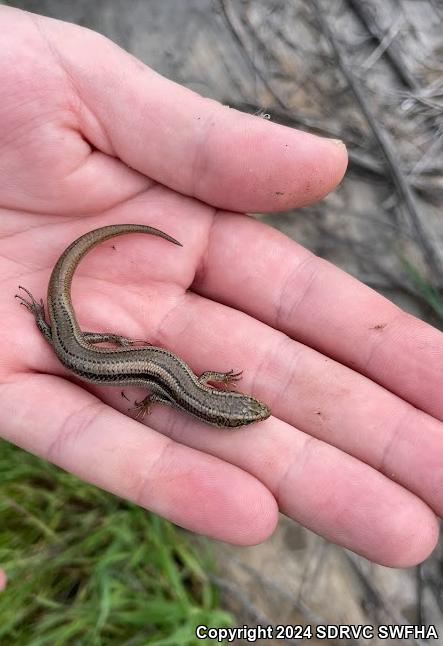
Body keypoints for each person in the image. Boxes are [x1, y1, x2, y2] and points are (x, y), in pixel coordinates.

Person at [1, 4, 440, 570]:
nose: (248, 406)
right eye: (243, 404)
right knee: (56, 318)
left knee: (66, 325)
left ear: (221, 409)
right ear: (218, 408)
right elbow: (158, 390)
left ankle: (49, 312)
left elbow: (167, 384)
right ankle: (43, 310)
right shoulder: (188, 394)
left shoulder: (189, 389)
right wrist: (138, 396)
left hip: (86, 351)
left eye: (242, 408)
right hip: (87, 354)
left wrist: (137, 370)